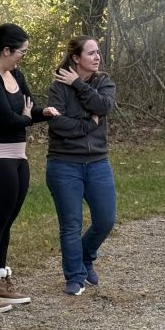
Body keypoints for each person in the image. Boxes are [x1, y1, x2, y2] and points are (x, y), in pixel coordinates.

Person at [0, 22, 59, 313]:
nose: (23, 57)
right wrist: (26, 117)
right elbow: (7, 119)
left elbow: (25, 111)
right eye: (21, 51)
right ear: (6, 50)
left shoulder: (15, 74)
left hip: (17, 154)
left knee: (6, 221)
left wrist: (41, 113)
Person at [45, 36, 117, 296]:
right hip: (64, 164)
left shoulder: (103, 82)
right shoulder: (58, 87)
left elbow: (103, 106)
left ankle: (86, 258)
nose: (97, 57)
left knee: (106, 219)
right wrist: (88, 124)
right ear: (76, 58)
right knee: (70, 224)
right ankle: (75, 276)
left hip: (97, 162)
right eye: (91, 53)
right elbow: (57, 124)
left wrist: (78, 84)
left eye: (98, 52)